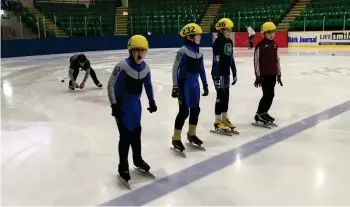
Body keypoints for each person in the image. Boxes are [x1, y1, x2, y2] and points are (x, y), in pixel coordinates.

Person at [107, 35, 157, 183]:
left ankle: (138, 160)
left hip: (136, 107)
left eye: (143, 51)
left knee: (136, 134)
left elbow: (148, 85)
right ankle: (122, 166)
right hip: (122, 107)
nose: (140, 54)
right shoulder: (122, 66)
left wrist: (152, 101)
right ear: (130, 51)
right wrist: (114, 104)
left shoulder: (146, 68)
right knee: (125, 136)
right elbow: (110, 84)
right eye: (136, 51)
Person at [170, 23, 209, 154]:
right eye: (198, 35)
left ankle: (191, 134)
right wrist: (175, 86)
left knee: (196, 109)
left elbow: (202, 69)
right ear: (190, 37)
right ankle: (176, 138)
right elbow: (175, 68)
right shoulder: (182, 50)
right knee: (184, 111)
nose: (200, 37)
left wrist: (205, 84)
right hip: (184, 84)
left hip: (195, 84)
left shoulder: (200, 51)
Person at [253, 22, 283, 126]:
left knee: (271, 94)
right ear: (264, 33)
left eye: (273, 32)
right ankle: (258, 114)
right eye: (269, 32)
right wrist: (257, 76)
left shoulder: (275, 45)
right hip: (264, 75)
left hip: (273, 74)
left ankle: (265, 112)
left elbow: (277, 60)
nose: (271, 34)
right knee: (266, 95)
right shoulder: (260, 46)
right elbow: (256, 61)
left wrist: (279, 74)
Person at [211, 18, 238, 134]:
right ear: (221, 30)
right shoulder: (218, 43)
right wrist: (216, 78)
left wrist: (234, 72)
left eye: (231, 30)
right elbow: (216, 61)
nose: (229, 32)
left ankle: (224, 118)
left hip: (226, 73)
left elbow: (231, 58)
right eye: (228, 30)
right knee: (220, 96)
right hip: (219, 73)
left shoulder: (230, 42)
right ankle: (217, 120)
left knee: (226, 96)